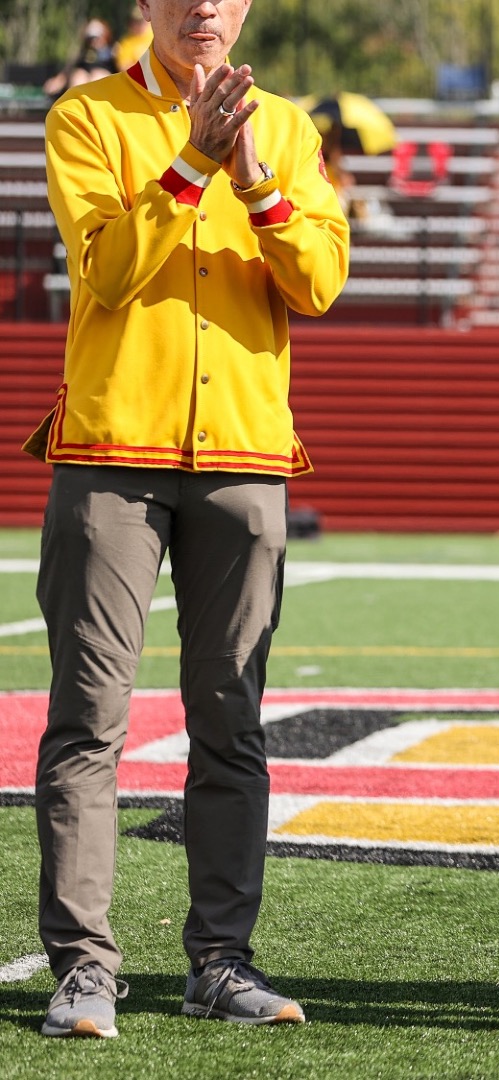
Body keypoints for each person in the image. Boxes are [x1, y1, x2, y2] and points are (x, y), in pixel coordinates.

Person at [30, 0, 349, 1040]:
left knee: (232, 722)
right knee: (89, 719)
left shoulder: (292, 132)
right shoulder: (87, 118)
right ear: (146, 8)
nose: (205, 6)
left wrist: (250, 172)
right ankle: (84, 970)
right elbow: (108, 272)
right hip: (111, 451)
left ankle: (221, 962)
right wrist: (186, 168)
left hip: (246, 455)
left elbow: (319, 283)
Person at [42, 19, 116, 97]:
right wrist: (57, 81)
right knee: (78, 76)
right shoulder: (82, 55)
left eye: (97, 38)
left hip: (103, 84)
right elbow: (67, 70)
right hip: (82, 82)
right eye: (91, 38)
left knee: (98, 76)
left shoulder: (113, 52)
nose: (94, 41)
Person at [112, 5, 153, 75]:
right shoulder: (125, 42)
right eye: (136, 22)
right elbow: (124, 67)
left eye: (142, 21)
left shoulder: (157, 35)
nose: (140, 25)